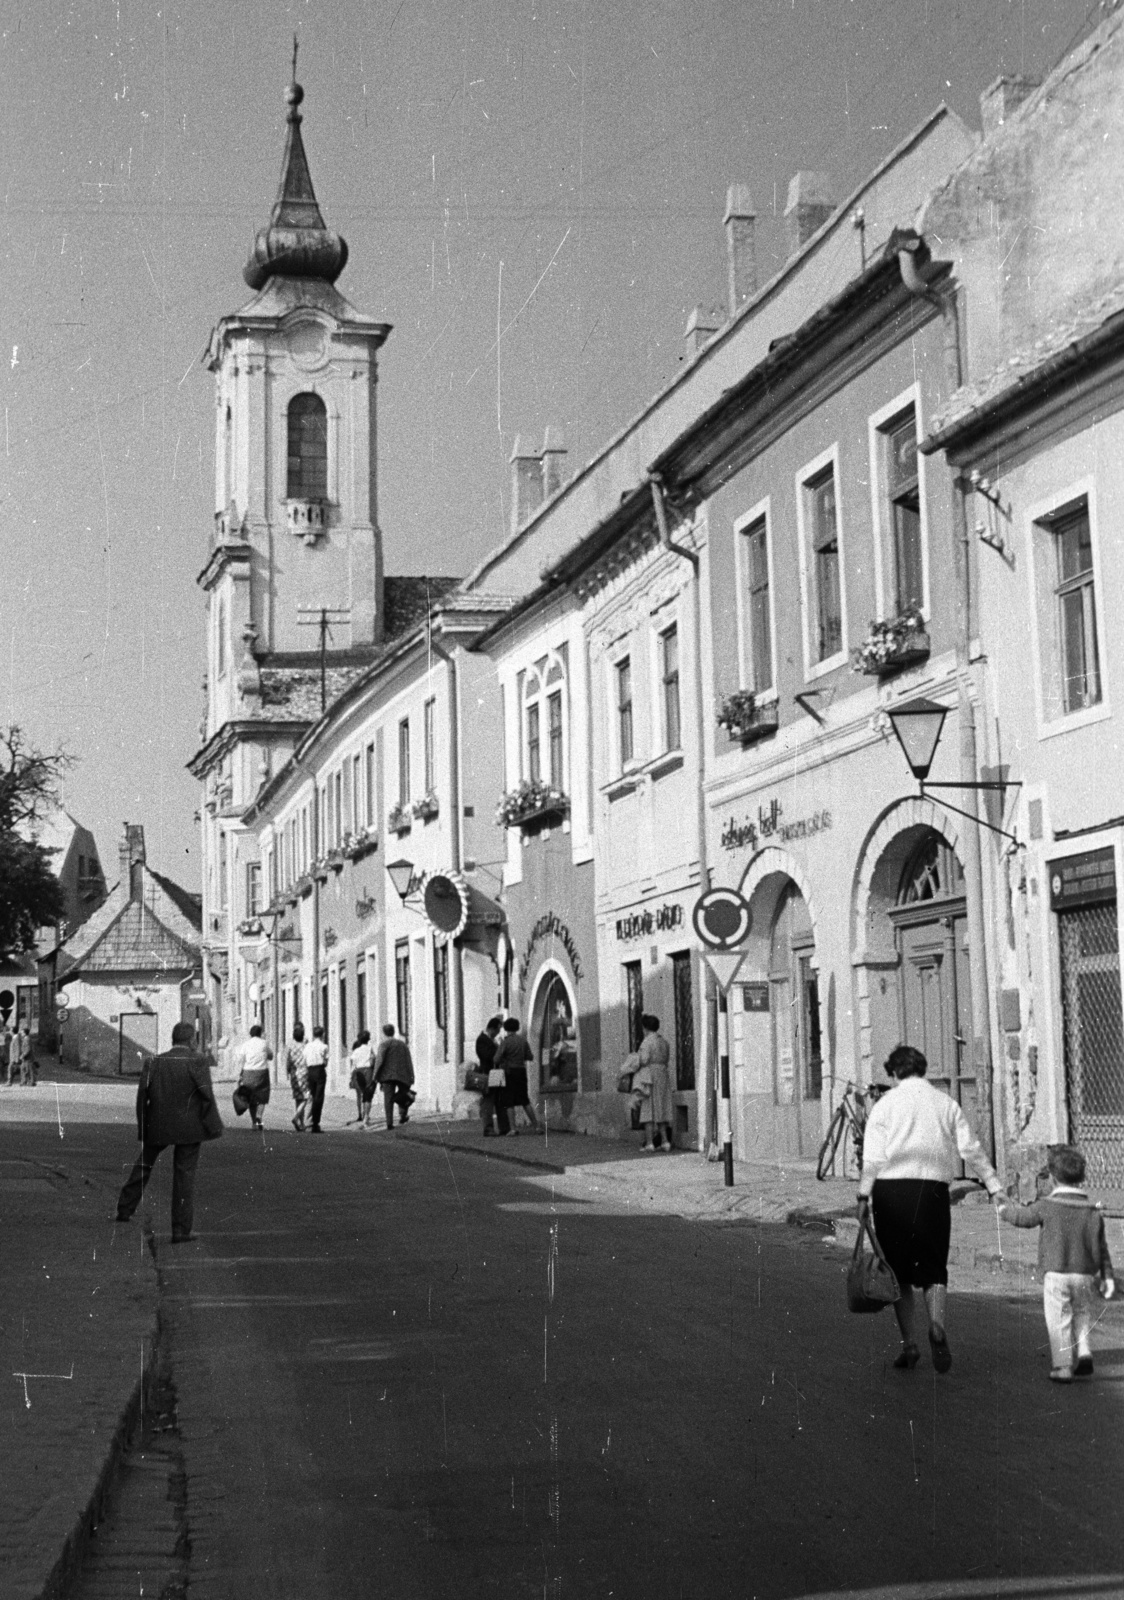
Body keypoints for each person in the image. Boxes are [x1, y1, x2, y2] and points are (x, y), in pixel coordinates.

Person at [857, 1043, 1003, 1373]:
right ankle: (936, 1325)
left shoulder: (884, 1105)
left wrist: (863, 1197)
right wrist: (993, 1186)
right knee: (933, 1267)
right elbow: (972, 1150)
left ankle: (909, 1344)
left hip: (890, 1194)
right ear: (923, 1069)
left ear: (894, 1072)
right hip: (932, 1192)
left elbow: (872, 1158)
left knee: (899, 1274)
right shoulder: (945, 1102)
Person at [999, 1145, 1115, 1382]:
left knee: (1059, 1317)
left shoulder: (1047, 1206)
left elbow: (1024, 1218)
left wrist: (1004, 1210)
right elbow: (1102, 1247)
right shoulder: (1092, 1211)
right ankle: (1084, 1352)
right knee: (1082, 1312)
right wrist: (1108, 1276)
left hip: (1056, 1272)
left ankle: (1062, 1366)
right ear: (1082, 1178)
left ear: (1052, 1178)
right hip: (1085, 1274)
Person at [115, 1020, 222, 1242]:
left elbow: (141, 1097)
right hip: (189, 1128)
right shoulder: (198, 1060)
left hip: (158, 1124)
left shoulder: (154, 1061)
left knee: (144, 1164)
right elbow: (206, 1095)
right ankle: (180, 1230)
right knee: (184, 1176)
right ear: (192, 1040)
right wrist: (212, 1126)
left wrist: (143, 1128)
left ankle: (124, 1209)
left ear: (173, 1040)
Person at [636, 1013, 674, 1153]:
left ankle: (650, 1143)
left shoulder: (647, 1042)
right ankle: (665, 1142)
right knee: (662, 1108)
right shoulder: (664, 1042)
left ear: (645, 1028)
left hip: (650, 1076)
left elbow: (644, 1060)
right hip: (663, 1075)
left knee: (648, 1110)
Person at [495, 1017, 540, 1133]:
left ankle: (513, 1129)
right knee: (525, 1100)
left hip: (509, 1073)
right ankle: (537, 1126)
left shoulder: (505, 1042)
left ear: (505, 1028)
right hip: (521, 1072)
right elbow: (530, 1057)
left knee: (509, 1101)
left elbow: (496, 1059)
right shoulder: (522, 1041)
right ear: (517, 1028)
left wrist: (505, 1059)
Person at [373, 1023, 415, 1129]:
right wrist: (411, 1075)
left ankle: (389, 1122)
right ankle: (402, 1115)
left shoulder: (384, 1044)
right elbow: (408, 1060)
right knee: (403, 1094)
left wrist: (375, 1075)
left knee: (388, 1099)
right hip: (402, 1074)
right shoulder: (402, 1044)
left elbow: (379, 1061)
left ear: (384, 1033)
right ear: (394, 1031)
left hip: (388, 1076)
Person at [475, 1016, 508, 1137]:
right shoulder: (482, 1040)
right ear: (491, 1029)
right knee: (488, 1100)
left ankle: (504, 1127)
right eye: (497, 1030)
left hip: (497, 1072)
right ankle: (488, 1128)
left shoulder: (492, 1040)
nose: (498, 1033)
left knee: (500, 1099)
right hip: (488, 1072)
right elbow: (486, 1055)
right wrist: (499, 1051)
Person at [236, 1023, 273, 1130]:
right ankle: (259, 1116)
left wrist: (240, 1075)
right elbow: (270, 1056)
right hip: (262, 1072)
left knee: (251, 1097)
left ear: (250, 1034)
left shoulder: (246, 1044)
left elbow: (241, 1061)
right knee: (262, 1096)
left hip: (248, 1072)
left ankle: (254, 1123)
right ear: (260, 1033)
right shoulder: (264, 1043)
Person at [285, 1022, 311, 1132]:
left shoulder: (290, 1045)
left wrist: (287, 1071)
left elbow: (287, 1059)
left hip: (294, 1073)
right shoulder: (306, 1044)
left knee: (298, 1097)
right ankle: (296, 1117)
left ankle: (301, 1123)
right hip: (304, 1072)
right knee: (307, 1096)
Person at [303, 1025, 328, 1133]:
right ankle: (316, 1123)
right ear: (322, 1034)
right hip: (319, 1070)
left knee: (310, 1096)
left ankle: (308, 1120)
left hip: (309, 1071)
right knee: (319, 1097)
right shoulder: (324, 1046)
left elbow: (304, 1059)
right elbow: (326, 1062)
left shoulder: (307, 1046)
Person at [349, 1030, 376, 1126]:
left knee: (359, 1094)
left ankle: (360, 1114)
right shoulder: (370, 1049)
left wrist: (351, 1076)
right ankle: (366, 1117)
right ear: (368, 1039)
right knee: (368, 1095)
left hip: (358, 1072)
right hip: (368, 1071)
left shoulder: (356, 1051)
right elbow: (373, 1061)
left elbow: (353, 1063)